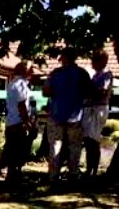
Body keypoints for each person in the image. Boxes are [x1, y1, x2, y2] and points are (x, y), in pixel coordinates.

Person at [42, 47, 93, 182]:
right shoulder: (82, 73)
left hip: (56, 113)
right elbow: (90, 92)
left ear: (64, 58)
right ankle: (73, 174)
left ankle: (53, 175)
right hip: (75, 115)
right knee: (75, 146)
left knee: (55, 145)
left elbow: (46, 91)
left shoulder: (55, 73)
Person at [1, 62, 35, 184]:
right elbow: (21, 105)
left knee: (12, 149)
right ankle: (13, 175)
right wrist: (27, 122)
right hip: (18, 122)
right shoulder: (20, 85)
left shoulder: (12, 83)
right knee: (18, 149)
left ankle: (13, 174)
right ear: (24, 70)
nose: (33, 72)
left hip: (12, 121)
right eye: (31, 69)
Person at [82, 50, 113, 178]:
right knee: (89, 141)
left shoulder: (106, 74)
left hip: (98, 108)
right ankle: (90, 169)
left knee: (93, 141)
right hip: (90, 108)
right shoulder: (95, 75)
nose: (92, 62)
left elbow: (102, 92)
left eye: (95, 60)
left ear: (102, 61)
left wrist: (88, 90)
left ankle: (92, 171)